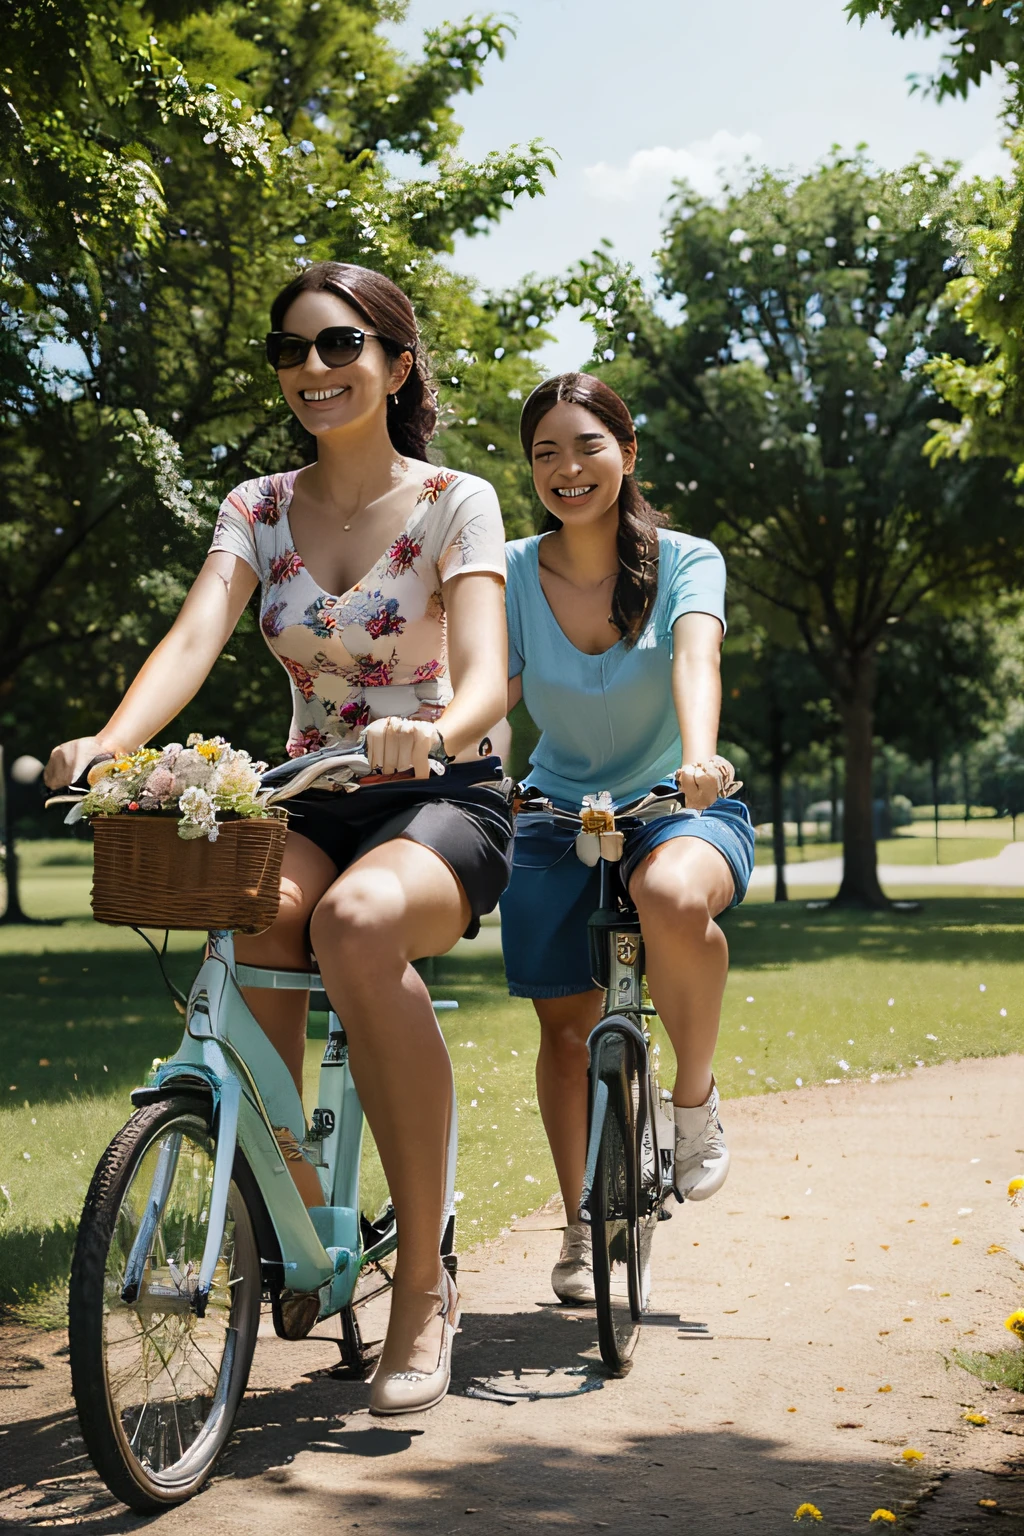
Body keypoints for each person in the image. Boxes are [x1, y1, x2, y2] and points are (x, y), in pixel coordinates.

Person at [44, 261, 512, 1415]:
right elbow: (198, 630)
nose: (312, 369)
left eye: (339, 345)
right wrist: (109, 738)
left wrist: (435, 730)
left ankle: (420, 1293)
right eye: (290, 350)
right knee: (250, 927)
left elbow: (493, 675)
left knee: (357, 927)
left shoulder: (458, 498)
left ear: (395, 364)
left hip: (440, 792)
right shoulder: (256, 505)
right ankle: (299, 1224)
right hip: (307, 789)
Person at [499, 373, 755, 1304]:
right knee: (564, 1035)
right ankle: (579, 1223)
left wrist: (700, 757)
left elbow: (697, 654)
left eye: (587, 447)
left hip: (677, 800)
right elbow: (497, 695)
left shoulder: (687, 558)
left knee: (673, 896)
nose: (568, 469)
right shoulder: (514, 571)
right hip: (556, 810)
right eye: (545, 454)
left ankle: (692, 1101)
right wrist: (483, 774)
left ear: (628, 451)